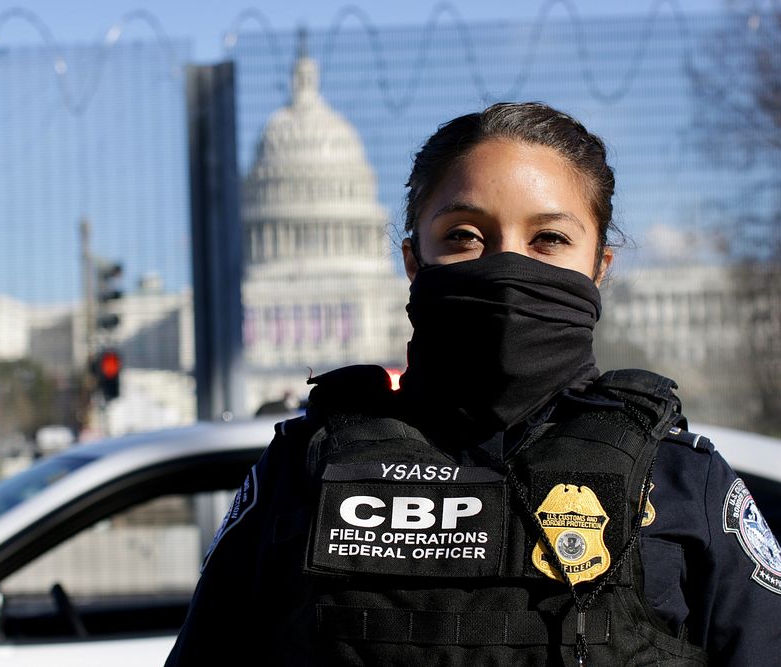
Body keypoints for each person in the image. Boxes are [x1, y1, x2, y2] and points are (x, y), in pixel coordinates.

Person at [166, 102, 781, 666]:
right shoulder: (305, 468)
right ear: (413, 260)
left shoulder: (679, 482)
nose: (506, 266)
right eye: (464, 235)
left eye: (549, 239)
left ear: (600, 268)